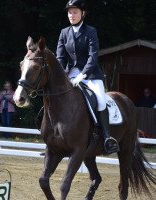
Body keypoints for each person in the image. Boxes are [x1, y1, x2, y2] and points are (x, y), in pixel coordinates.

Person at [56, 0, 119, 154]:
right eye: (69, 12)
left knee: (101, 100)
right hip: (70, 74)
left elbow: (93, 56)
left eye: (75, 12)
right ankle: (53, 137)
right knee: (55, 94)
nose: (72, 15)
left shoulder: (91, 31)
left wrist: (83, 74)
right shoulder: (64, 32)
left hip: (90, 74)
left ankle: (107, 138)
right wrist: (63, 73)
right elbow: (60, 57)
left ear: (82, 13)